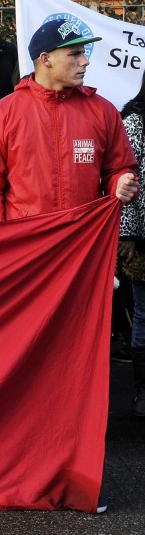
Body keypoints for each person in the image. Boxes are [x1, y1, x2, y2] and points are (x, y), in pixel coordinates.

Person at [0, 17, 138, 223]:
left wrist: (121, 183)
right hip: (28, 243)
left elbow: (118, 169)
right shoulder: (3, 114)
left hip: (83, 240)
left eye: (84, 52)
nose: (85, 61)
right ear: (45, 59)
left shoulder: (103, 111)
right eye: (74, 54)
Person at [115, 68, 145, 416]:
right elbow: (129, 179)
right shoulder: (135, 121)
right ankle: (142, 391)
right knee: (144, 314)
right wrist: (129, 234)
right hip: (142, 239)